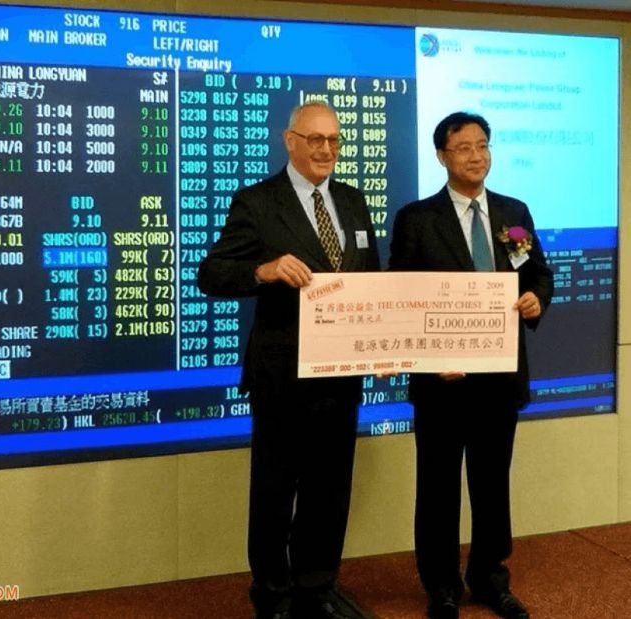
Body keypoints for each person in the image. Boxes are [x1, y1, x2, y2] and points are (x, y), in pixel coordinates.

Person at [198, 102, 379, 619]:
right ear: (290, 140)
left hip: (341, 374)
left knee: (330, 490)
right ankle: (273, 594)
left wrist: (384, 343)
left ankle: (316, 589)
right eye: (315, 139)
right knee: (275, 491)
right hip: (281, 375)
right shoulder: (258, 202)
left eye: (334, 140)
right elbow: (212, 275)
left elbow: (370, 281)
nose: (326, 149)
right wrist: (265, 269)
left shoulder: (352, 200)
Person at [388, 112, 554, 619]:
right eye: (463, 148)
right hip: (442, 382)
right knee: (438, 488)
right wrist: (430, 355)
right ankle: (441, 587)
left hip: (499, 380)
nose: (476, 156)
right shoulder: (417, 219)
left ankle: (488, 578)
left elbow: (537, 273)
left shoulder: (511, 213)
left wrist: (536, 300)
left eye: (483, 145)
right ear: (442, 155)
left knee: (491, 486)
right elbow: (402, 297)